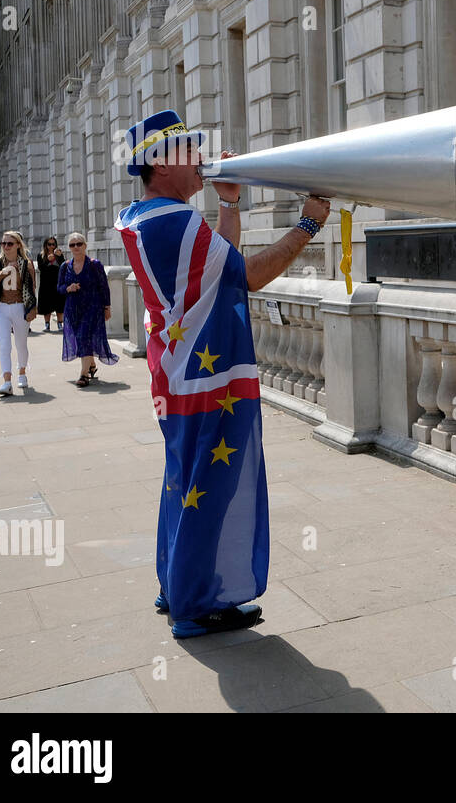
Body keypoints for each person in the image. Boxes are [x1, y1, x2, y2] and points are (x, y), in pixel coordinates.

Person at [115, 110, 329, 638]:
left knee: (183, 484)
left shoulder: (141, 216)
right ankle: (192, 606)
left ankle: (179, 585)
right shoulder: (177, 222)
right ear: (162, 165)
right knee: (208, 491)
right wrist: (308, 224)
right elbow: (248, 274)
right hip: (208, 384)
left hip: (179, 378)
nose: (201, 160)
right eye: (189, 150)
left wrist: (228, 203)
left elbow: (220, 268)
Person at [0, 231, 38, 396]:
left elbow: (32, 287)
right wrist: (4, 271)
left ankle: (22, 373)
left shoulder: (26, 264)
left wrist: (32, 309)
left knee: (21, 344)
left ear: (18, 245)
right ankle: (6, 381)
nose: (6, 246)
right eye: (3, 243)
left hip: (20, 307)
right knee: (4, 345)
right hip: (1, 308)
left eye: (10, 243)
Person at [58, 232, 118, 386]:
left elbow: (104, 287)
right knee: (80, 338)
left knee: (84, 337)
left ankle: (83, 375)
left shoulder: (94, 264)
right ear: (69, 248)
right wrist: (68, 288)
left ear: (85, 246)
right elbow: (59, 288)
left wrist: (107, 307)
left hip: (92, 306)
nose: (76, 247)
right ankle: (91, 365)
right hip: (73, 308)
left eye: (79, 244)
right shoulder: (65, 266)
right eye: (72, 244)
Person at [35, 236, 66, 332]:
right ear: (45, 245)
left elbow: (63, 266)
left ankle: (60, 323)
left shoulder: (58, 254)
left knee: (59, 304)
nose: (51, 246)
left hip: (57, 281)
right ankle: (47, 324)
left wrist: (59, 257)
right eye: (49, 244)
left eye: (53, 244)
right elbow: (41, 268)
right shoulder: (41, 255)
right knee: (46, 304)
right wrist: (48, 260)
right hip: (46, 283)